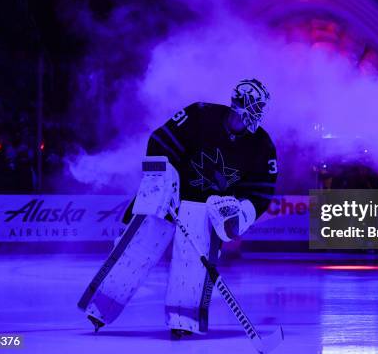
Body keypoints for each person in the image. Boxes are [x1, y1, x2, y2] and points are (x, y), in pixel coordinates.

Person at [78, 79, 278, 339]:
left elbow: (260, 192)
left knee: (193, 263)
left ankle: (183, 319)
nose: (260, 111)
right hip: (168, 197)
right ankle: (100, 307)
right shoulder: (201, 114)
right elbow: (160, 141)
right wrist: (163, 182)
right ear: (241, 102)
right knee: (138, 248)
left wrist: (239, 213)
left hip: (206, 209)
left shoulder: (262, 145)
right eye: (257, 104)